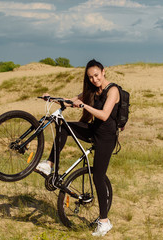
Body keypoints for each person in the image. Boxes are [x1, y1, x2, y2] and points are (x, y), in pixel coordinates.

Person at [36, 59, 119, 237]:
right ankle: (49, 164)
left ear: (104, 72)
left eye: (96, 75)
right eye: (90, 77)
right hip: (93, 131)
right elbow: (70, 101)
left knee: (98, 176)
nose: (94, 79)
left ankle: (104, 221)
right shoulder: (92, 90)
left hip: (106, 138)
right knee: (64, 127)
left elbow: (104, 115)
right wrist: (53, 98)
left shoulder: (113, 90)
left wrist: (85, 106)